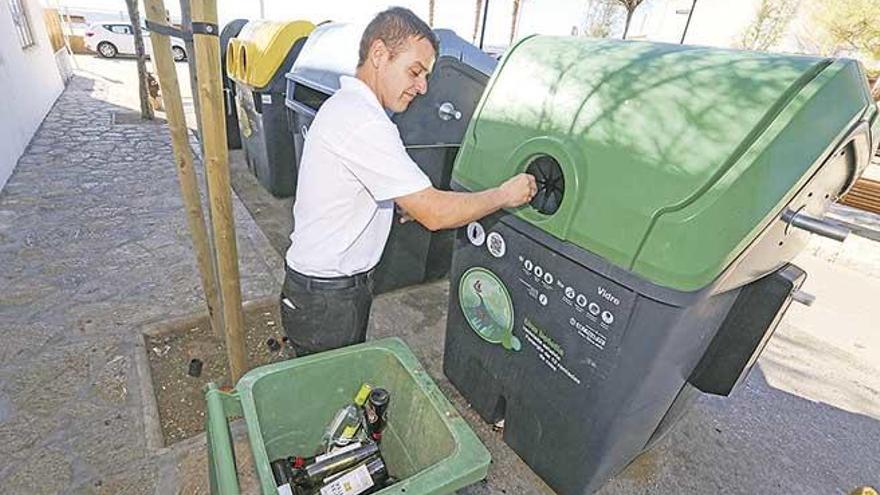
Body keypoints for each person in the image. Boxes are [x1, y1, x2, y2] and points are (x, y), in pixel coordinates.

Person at [280, 7, 537, 357]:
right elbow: (434, 213)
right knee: (329, 398)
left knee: (335, 386)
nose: (423, 87)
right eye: (415, 71)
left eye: (427, 75)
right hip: (327, 300)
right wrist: (505, 194)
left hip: (326, 292)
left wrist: (398, 202)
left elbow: (358, 187)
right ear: (379, 55)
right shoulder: (363, 120)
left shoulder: (348, 107)